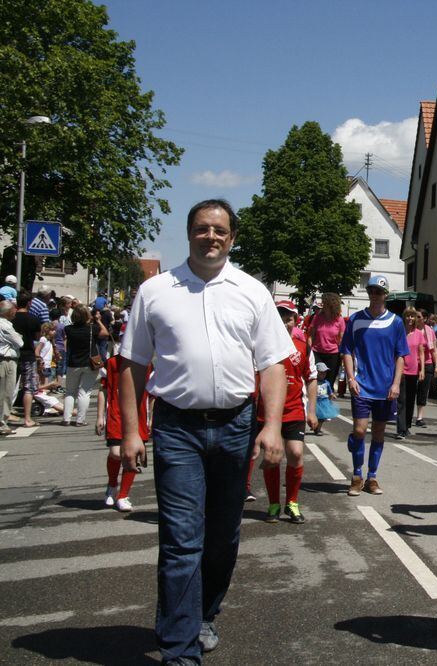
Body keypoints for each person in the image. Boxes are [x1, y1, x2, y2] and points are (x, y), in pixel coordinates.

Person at [118, 199, 293, 664]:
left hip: (236, 426)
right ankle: (179, 649)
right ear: (189, 233)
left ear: (232, 237)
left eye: (219, 230)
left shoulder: (252, 291)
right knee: (181, 540)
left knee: (222, 538)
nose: (210, 236)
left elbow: (274, 364)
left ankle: (202, 614)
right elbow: (132, 364)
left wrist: (272, 427)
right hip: (177, 427)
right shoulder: (156, 291)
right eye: (202, 228)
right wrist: (131, 433)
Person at [340, 274, 408, 497]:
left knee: (378, 433)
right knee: (359, 430)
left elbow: (400, 355)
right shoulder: (356, 319)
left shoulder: (396, 322)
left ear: (385, 295)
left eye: (378, 291)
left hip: (385, 388)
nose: (374, 295)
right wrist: (350, 378)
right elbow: (346, 350)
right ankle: (356, 475)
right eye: (371, 291)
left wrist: (396, 383)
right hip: (362, 384)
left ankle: (371, 477)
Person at [260, 300, 318, 524]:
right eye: (280, 318)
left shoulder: (303, 347)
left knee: (295, 453)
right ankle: (273, 504)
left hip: (294, 409)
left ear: (295, 321)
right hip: (268, 411)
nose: (284, 323)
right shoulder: (263, 345)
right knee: (272, 457)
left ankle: (292, 502)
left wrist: (311, 411)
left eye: (289, 318)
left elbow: (311, 379)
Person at [96, 351, 151, 512]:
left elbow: (153, 395)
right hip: (115, 414)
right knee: (115, 453)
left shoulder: (147, 363)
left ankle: (123, 495)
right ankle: (112, 485)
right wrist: (100, 416)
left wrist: (152, 417)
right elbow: (103, 390)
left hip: (139, 416)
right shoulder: (111, 363)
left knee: (132, 455)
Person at [62, 305, 108, 427]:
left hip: (73, 363)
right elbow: (105, 333)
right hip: (89, 363)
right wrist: (98, 320)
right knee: (85, 392)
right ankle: (80, 420)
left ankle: (66, 418)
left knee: (70, 391)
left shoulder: (68, 329)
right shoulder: (92, 328)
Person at [12, 291, 42, 428]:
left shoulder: (11, 318)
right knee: (28, 387)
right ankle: (27, 418)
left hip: (13, 355)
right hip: (28, 355)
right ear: (29, 303)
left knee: (9, 386)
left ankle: (5, 415)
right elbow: (37, 337)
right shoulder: (34, 319)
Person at [307, 292, 346, 393]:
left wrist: (342, 355)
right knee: (315, 380)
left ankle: (327, 405)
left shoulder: (339, 320)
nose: (323, 304)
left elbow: (342, 339)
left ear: (332, 304)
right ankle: (313, 404)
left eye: (325, 302)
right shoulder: (317, 317)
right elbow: (311, 336)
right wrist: (309, 351)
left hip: (333, 355)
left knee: (329, 383)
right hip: (317, 352)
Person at [395, 308, 425, 439]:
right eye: (408, 316)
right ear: (405, 318)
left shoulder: (419, 333)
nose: (410, 319)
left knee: (410, 400)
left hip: (413, 370)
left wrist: (422, 369)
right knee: (401, 400)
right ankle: (401, 429)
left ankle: (406, 426)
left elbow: (421, 353)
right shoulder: (399, 332)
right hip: (401, 370)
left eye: (413, 317)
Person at [0, 301, 23, 435]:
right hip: (6, 361)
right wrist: (19, 337)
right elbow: (19, 342)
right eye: (14, 310)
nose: (15, 312)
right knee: (6, 393)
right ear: (9, 312)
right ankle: (2, 423)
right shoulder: (6, 326)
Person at [414, 310, 437, 425]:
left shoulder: (430, 331)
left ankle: (419, 417)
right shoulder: (411, 329)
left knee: (423, 391)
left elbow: (434, 350)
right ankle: (407, 415)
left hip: (427, 363)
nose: (416, 318)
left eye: (418, 316)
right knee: (410, 391)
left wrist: (436, 366)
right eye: (416, 316)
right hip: (413, 363)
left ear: (424, 318)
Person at [313, 362, 338, 434]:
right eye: (321, 373)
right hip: (315, 402)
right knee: (314, 415)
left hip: (324, 402)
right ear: (316, 372)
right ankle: (315, 426)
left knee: (322, 418)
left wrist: (332, 395)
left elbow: (329, 391)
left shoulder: (326, 382)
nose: (323, 375)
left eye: (325, 373)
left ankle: (318, 429)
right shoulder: (314, 382)